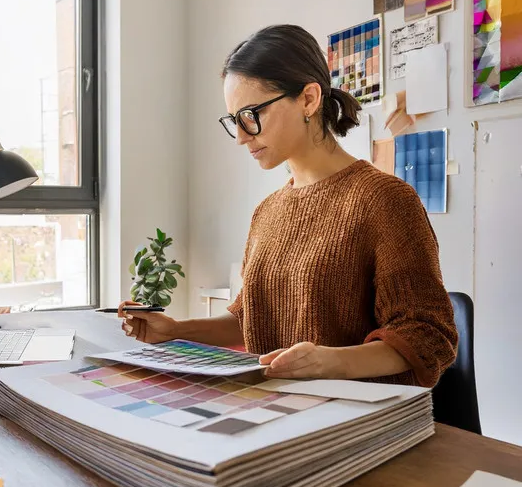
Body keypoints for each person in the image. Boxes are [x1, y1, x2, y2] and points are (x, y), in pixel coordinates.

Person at [119, 24, 457, 387]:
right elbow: (251, 318)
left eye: (251, 115)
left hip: (354, 423)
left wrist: (331, 362)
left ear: (309, 99)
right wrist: (174, 330)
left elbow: (428, 336)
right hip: (277, 413)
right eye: (234, 121)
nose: (240, 136)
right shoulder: (267, 211)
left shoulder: (385, 201)